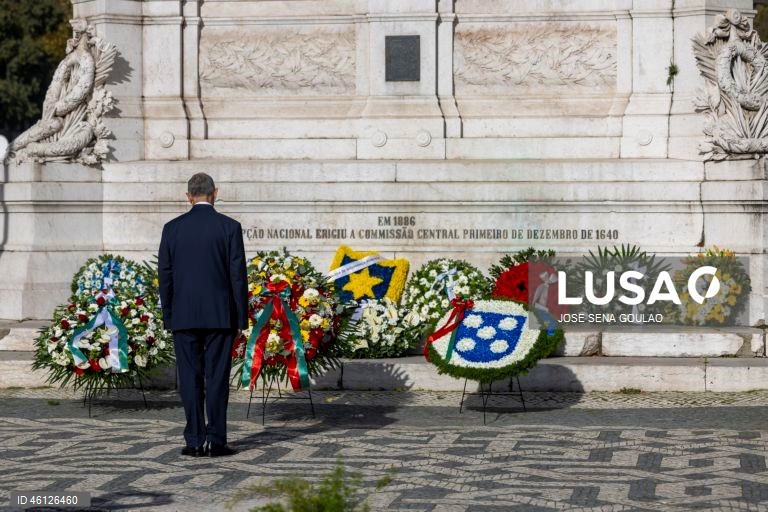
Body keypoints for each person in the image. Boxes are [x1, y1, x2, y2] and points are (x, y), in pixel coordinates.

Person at [158, 173, 248, 457]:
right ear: (215, 193)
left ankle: (194, 440)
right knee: (217, 378)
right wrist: (240, 319)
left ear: (188, 196)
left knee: (190, 378)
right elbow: (238, 276)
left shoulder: (172, 228)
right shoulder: (229, 227)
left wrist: (169, 315)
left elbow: (165, 275)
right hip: (220, 316)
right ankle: (217, 441)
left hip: (184, 316)